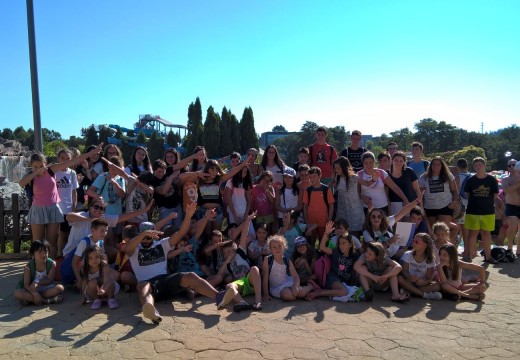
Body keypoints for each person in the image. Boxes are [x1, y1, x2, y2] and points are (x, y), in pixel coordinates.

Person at [125, 202, 235, 324]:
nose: (145, 239)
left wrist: (188, 216)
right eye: (143, 236)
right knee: (142, 286)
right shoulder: (134, 248)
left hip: (165, 280)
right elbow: (127, 248)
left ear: (154, 234)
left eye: (148, 236)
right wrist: (143, 235)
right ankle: (151, 310)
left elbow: (181, 233)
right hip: (148, 284)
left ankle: (218, 297)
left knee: (191, 276)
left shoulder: (162, 244)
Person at [19, 144, 103, 258]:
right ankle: (37, 268)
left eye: (41, 166)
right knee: (37, 242)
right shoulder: (30, 176)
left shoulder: (51, 170)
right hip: (38, 209)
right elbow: (21, 183)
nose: (39, 169)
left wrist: (91, 153)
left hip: (53, 208)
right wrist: (35, 172)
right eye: (35, 166)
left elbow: (73, 161)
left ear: (46, 164)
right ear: (31, 166)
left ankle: (51, 267)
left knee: (52, 242)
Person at [63, 197, 153, 265]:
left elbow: (122, 217)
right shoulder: (82, 215)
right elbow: (69, 216)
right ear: (90, 207)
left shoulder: (103, 218)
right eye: (96, 207)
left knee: (115, 253)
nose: (98, 210)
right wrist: (89, 219)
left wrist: (143, 211)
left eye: (101, 208)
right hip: (73, 254)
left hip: (92, 254)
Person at [220, 214, 263, 312]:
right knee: (229, 286)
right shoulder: (227, 264)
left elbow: (244, 235)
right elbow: (220, 274)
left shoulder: (240, 252)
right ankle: (242, 302)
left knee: (254, 269)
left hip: (250, 280)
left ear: (235, 251)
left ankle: (258, 301)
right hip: (241, 284)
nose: (227, 254)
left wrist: (248, 220)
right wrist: (227, 261)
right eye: (225, 253)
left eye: (229, 252)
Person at [308, 222, 358, 300]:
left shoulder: (354, 256)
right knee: (343, 292)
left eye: (344, 243)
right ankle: (318, 293)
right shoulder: (336, 252)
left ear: (351, 244)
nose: (341, 246)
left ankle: (325, 291)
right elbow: (322, 247)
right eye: (340, 243)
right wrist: (326, 233)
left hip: (344, 281)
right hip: (333, 278)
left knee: (346, 291)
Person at [463, 157, 499, 263]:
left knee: (486, 233)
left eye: (480, 164)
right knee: (473, 233)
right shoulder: (470, 180)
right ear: (473, 166)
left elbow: (495, 195)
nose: (478, 167)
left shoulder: (491, 179)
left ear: (484, 165)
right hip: (473, 210)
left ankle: (488, 257)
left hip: (488, 211)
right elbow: (467, 194)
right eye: (476, 165)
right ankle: (469, 256)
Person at [262, 235, 314, 302]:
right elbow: (265, 278)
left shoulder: (286, 260)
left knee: (300, 292)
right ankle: (296, 295)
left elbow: (295, 276)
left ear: (284, 247)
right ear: (270, 249)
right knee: (288, 296)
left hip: (288, 282)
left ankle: (310, 286)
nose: (277, 249)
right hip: (276, 287)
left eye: (279, 246)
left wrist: (295, 286)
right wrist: (266, 294)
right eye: (274, 247)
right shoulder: (268, 260)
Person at [60, 218, 110, 288]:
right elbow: (74, 262)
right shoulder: (85, 242)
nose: (104, 233)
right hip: (83, 271)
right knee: (88, 285)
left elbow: (104, 260)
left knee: (115, 275)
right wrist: (79, 280)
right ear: (93, 230)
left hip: (92, 268)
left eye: (106, 231)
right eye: (102, 230)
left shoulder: (101, 242)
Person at [15, 240, 64, 306]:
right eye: (40, 252)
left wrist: (38, 283)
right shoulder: (28, 267)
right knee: (18, 293)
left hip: (45, 288)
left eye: (45, 251)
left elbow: (49, 280)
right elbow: (26, 284)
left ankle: (32, 300)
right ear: (33, 254)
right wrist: (34, 293)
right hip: (31, 289)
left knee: (60, 288)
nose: (43, 254)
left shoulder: (51, 264)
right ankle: (46, 301)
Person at [397, 233, 443, 301]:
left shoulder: (430, 259)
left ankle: (409, 292)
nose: (414, 243)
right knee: (400, 278)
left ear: (425, 245)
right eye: (413, 241)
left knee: (438, 286)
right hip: (409, 281)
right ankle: (425, 295)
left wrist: (423, 282)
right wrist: (410, 278)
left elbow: (429, 278)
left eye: (417, 242)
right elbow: (404, 271)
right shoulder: (408, 255)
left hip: (422, 284)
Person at [418, 156, 458, 228]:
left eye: (438, 164)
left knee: (443, 230)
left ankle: (454, 231)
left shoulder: (448, 176)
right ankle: (455, 228)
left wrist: (454, 202)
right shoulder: (423, 177)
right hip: (429, 207)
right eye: (434, 164)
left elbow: (454, 191)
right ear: (430, 165)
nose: (435, 166)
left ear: (442, 166)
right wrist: (421, 209)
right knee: (433, 232)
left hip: (445, 206)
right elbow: (421, 195)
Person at [55, 148, 79, 257]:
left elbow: (74, 192)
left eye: (68, 159)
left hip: (69, 208)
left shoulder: (72, 173)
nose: (65, 160)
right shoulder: (55, 171)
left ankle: (67, 253)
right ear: (58, 159)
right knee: (60, 233)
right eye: (62, 158)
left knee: (69, 233)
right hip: (57, 207)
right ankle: (59, 252)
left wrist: (74, 207)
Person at [332, 157, 365, 236]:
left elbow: (367, 183)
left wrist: (374, 179)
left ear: (344, 167)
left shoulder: (354, 178)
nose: (336, 170)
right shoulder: (337, 178)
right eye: (335, 168)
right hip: (342, 211)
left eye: (338, 168)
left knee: (354, 234)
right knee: (342, 233)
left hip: (354, 211)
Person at [80, 244, 120, 310]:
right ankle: (97, 300)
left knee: (111, 281)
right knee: (92, 282)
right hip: (94, 292)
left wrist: (103, 289)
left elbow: (107, 280)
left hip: (106, 290)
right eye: (90, 258)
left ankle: (111, 299)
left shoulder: (105, 266)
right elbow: (85, 282)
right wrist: (83, 297)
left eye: (96, 257)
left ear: (101, 257)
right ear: (86, 259)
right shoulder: (85, 269)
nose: (94, 260)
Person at [302, 166, 335, 238]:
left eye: (314, 176)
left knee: (323, 241)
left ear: (320, 176)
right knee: (312, 242)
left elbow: (331, 205)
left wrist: (329, 221)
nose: (312, 179)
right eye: (310, 177)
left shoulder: (326, 189)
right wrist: (306, 220)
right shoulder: (307, 190)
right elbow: (305, 206)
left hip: (324, 222)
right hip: (311, 223)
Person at [387, 151, 421, 216]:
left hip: (410, 203)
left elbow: (417, 189)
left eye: (401, 161)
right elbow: (386, 194)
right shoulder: (387, 174)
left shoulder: (409, 172)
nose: (398, 163)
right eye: (396, 160)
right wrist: (389, 209)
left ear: (404, 162)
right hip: (394, 206)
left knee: (409, 225)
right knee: (396, 226)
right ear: (392, 160)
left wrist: (421, 206)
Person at [502, 161, 520, 256]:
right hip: (511, 205)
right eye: (509, 165)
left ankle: (518, 249)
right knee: (512, 227)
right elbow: (506, 190)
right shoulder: (505, 179)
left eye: (514, 165)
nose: (511, 167)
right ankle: (509, 246)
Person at [455, 158, 471, 243]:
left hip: (462, 205)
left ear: (458, 166)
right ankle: (471, 249)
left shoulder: (458, 177)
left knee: (463, 229)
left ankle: (466, 249)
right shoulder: (472, 176)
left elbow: (456, 193)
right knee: (470, 228)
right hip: (472, 204)